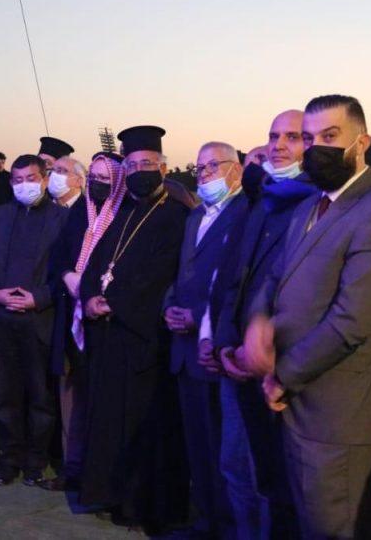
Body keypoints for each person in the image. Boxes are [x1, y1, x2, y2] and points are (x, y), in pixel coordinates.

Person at [244, 95, 371, 540]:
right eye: (310, 137)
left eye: (330, 136)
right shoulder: (308, 207)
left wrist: (283, 376)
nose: (317, 147)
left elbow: (350, 322)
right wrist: (258, 323)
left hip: (341, 418)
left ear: (362, 143)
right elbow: (273, 278)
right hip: (299, 410)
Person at [78, 125, 190, 535]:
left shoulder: (176, 215)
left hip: (145, 338)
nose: (140, 171)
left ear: (163, 167)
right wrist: (90, 297)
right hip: (111, 336)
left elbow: (161, 274)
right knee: (110, 420)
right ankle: (109, 493)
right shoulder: (123, 213)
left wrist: (115, 303)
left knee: (145, 425)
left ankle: (142, 504)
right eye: (133, 165)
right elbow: (97, 264)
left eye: (147, 163)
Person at [215, 110, 316, 540]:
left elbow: (307, 296)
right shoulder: (261, 200)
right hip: (237, 360)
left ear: (311, 144)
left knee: (275, 482)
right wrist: (224, 344)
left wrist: (266, 350)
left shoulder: (318, 203)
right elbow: (233, 278)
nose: (278, 146)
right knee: (235, 468)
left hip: (279, 366)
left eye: (292, 137)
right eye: (273, 136)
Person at [164, 140, 248, 539]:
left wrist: (198, 317)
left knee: (223, 451)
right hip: (182, 348)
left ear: (236, 170)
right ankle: (206, 521)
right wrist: (169, 306)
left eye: (214, 166)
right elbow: (181, 273)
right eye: (200, 168)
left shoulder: (246, 213)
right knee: (197, 446)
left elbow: (235, 283)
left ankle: (227, 527)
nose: (205, 174)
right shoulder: (195, 216)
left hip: (214, 348)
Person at [0, 154, 69, 486]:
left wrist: (38, 298)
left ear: (44, 179)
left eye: (30, 178)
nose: (23, 185)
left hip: (39, 319)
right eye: (17, 180)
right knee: (5, 396)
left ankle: (35, 460)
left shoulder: (63, 218)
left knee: (41, 398)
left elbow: (67, 270)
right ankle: (9, 459)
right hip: (1, 319)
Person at [42, 152, 126, 492]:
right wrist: (67, 275)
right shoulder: (80, 213)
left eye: (105, 180)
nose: (97, 185)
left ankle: (99, 473)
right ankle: (72, 466)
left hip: (105, 320)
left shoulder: (124, 216)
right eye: (94, 178)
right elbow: (60, 254)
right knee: (70, 398)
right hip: (71, 316)